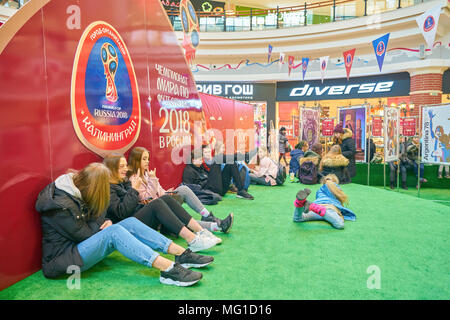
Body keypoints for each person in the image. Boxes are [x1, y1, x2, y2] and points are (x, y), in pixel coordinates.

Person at [35, 162, 213, 286]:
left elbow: (93, 223)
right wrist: (102, 220)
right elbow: (85, 233)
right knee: (114, 231)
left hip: (79, 247)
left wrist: (103, 221)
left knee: (128, 223)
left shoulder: (76, 188)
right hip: (63, 261)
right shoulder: (61, 206)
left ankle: (181, 253)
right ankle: (168, 269)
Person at [103, 154, 221, 252]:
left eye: (125, 165)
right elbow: (122, 212)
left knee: (166, 199)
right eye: (121, 166)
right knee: (158, 203)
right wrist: (134, 189)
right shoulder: (109, 188)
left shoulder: (125, 181)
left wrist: (149, 184)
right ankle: (192, 239)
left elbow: (152, 194)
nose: (125, 169)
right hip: (127, 225)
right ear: (112, 169)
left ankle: (201, 231)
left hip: (138, 213)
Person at [127, 147, 233, 234]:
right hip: (154, 210)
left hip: (161, 201)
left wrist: (168, 193)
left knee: (183, 189)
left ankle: (207, 216)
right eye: (144, 159)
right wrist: (153, 180)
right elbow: (147, 198)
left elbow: (159, 191)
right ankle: (217, 226)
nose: (147, 162)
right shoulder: (134, 179)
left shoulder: (147, 174)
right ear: (136, 160)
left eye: (148, 159)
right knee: (182, 217)